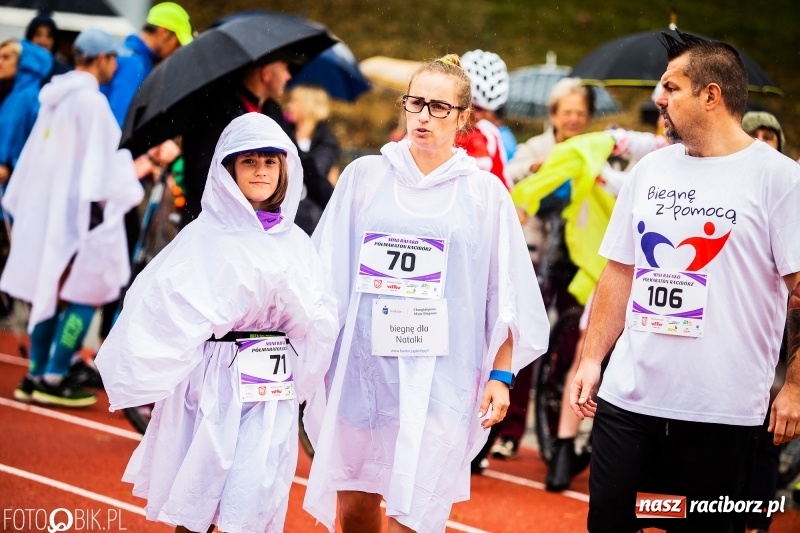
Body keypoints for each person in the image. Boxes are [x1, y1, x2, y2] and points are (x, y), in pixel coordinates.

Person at [303, 54, 550, 533]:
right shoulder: (365, 178)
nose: (424, 116)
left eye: (440, 107)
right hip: (363, 372)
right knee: (355, 508)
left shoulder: (484, 194)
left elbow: (507, 294)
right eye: (416, 102)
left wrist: (501, 374)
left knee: (414, 515)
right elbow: (322, 274)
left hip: (442, 377)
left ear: (463, 119)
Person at [570, 30, 800, 532]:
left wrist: (797, 388)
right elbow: (620, 269)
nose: (658, 99)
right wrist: (592, 357)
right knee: (610, 523)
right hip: (629, 399)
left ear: (711, 96)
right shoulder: (651, 169)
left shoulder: (779, 179)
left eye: (671, 88)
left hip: (722, 411)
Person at [95, 112, 338, 533]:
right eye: (249, 162)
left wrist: (306, 373)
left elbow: (318, 314)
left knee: (254, 497)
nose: (261, 170)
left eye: (270, 161)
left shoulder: (296, 241)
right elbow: (166, 303)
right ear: (228, 170)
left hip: (269, 391)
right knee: (198, 498)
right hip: (215, 386)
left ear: (284, 169)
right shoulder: (206, 235)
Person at [0, 29, 143, 408]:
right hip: (81, 218)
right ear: (100, 59)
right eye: (112, 58)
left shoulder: (55, 98)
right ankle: (54, 374)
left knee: (48, 292)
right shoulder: (91, 104)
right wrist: (142, 168)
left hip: (46, 213)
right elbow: (109, 167)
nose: (115, 65)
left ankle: (34, 374)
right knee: (86, 294)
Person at [487, 76, 596, 465]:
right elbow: (508, 177)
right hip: (535, 254)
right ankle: (509, 431)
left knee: (567, 348)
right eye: (567, 112)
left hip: (576, 258)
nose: (574, 120)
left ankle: (554, 429)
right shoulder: (536, 146)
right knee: (523, 341)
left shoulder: (592, 152)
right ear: (554, 115)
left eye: (581, 113)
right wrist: (535, 167)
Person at [741, 110, 788, 533]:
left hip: (782, 337)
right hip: (740, 334)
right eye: (752, 135)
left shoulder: (789, 188)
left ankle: (757, 521)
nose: (762, 141)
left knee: (768, 434)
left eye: (768, 135)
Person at [101, 1, 193, 127]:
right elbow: (118, 122)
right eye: (178, 43)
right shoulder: (135, 64)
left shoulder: (127, 54)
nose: (177, 51)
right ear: (164, 32)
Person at [285, 84, 342, 234]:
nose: (289, 106)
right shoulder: (284, 131)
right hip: (282, 211)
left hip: (310, 217)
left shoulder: (327, 140)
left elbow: (317, 171)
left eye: (294, 101)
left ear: (307, 105)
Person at [455, 49, 512, 188]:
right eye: (474, 107)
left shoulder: (490, 134)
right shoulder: (432, 127)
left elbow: (503, 186)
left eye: (484, 110)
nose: (479, 115)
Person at [0, 38, 52, 186]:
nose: (0, 62)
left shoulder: (31, 98)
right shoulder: (7, 94)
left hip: (16, 186)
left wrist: (12, 168)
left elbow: (39, 141)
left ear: (23, 62)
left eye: (6, 57)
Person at [24, 12, 71, 83]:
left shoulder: (65, 73)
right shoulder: (18, 68)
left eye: (49, 36)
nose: (43, 40)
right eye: (38, 35)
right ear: (30, 38)